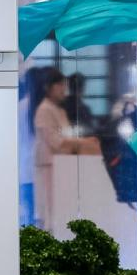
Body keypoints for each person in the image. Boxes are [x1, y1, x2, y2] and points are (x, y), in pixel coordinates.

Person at [32, 69, 98, 231]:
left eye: (65, 85)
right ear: (49, 87)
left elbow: (67, 137)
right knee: (49, 211)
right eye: (60, 85)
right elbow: (55, 142)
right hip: (49, 166)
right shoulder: (44, 109)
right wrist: (83, 142)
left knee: (60, 210)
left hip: (63, 166)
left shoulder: (60, 110)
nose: (64, 89)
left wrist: (82, 143)